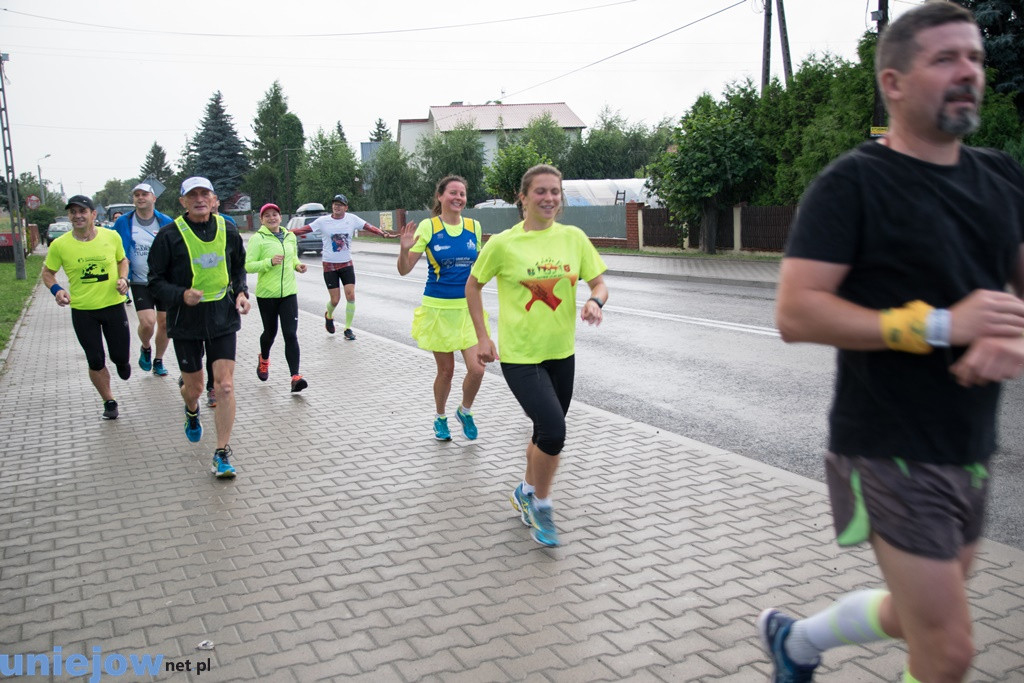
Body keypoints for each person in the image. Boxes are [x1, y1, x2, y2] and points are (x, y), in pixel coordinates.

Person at [762, 3, 1024, 682]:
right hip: (887, 446)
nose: (968, 72)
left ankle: (797, 642)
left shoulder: (1001, 178)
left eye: (976, 59)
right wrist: (941, 325)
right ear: (895, 82)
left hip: (969, 442)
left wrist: (1014, 335)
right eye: (946, 59)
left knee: (920, 619)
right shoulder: (852, 184)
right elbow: (796, 312)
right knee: (950, 648)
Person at [466, 164, 608, 547]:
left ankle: (525, 491)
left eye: (555, 192)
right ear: (523, 197)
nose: (549, 198)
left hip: (562, 353)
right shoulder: (504, 244)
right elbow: (473, 286)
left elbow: (599, 282)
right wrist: (482, 337)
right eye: (541, 191)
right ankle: (542, 505)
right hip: (520, 356)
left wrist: (595, 301)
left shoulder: (574, 238)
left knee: (544, 431)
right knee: (555, 432)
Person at [148, 177, 251, 479]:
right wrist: (180, 295)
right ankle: (191, 410)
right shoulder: (168, 236)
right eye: (192, 195)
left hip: (222, 315)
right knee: (193, 387)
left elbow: (238, 267)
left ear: (214, 199)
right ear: (182, 202)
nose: (199, 199)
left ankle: (221, 453)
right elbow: (154, 281)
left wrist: (242, 292)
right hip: (186, 320)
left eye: (204, 193)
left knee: (225, 386)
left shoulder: (228, 230)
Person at [397, 175, 488, 441]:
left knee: (478, 368)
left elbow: (479, 269)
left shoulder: (474, 226)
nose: (458, 197)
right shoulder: (429, 227)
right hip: (438, 309)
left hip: (468, 311)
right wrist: (404, 250)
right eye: (453, 193)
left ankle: (465, 410)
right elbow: (404, 270)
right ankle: (440, 418)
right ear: (440, 197)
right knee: (446, 370)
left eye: (462, 193)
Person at [41, 195, 132, 420]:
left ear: (93, 214)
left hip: (113, 306)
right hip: (83, 311)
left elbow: (123, 260)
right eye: (73, 212)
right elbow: (47, 273)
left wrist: (123, 278)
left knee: (120, 356)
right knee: (95, 359)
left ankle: (121, 362)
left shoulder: (111, 237)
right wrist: (57, 290)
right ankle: (109, 401)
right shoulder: (60, 244)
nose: (77, 216)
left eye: (82, 211)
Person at [290, 193, 395, 340]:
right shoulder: (323, 221)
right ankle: (329, 315)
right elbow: (304, 230)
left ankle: (348, 328)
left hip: (346, 263)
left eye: (340, 204)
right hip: (329, 265)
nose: (336, 206)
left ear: (346, 207)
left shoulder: (352, 219)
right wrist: (285, 232)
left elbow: (368, 226)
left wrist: (382, 234)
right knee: (335, 300)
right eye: (334, 204)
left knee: (351, 295)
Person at [245, 203, 308, 392]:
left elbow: (293, 258)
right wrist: (268, 262)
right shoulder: (258, 239)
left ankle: (295, 376)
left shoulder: (289, 236)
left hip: (288, 293)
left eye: (275, 215)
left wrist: (298, 266)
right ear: (262, 220)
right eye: (267, 216)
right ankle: (264, 359)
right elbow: (248, 266)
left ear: (280, 217)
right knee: (270, 333)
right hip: (267, 295)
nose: (272, 218)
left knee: (290, 334)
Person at [113, 182, 174, 377]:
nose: (140, 198)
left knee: (164, 324)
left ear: (153, 198)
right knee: (148, 323)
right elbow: (114, 247)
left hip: (163, 281)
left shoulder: (166, 221)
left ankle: (159, 360)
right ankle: (146, 346)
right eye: (137, 195)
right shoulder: (124, 222)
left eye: (144, 194)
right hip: (140, 281)